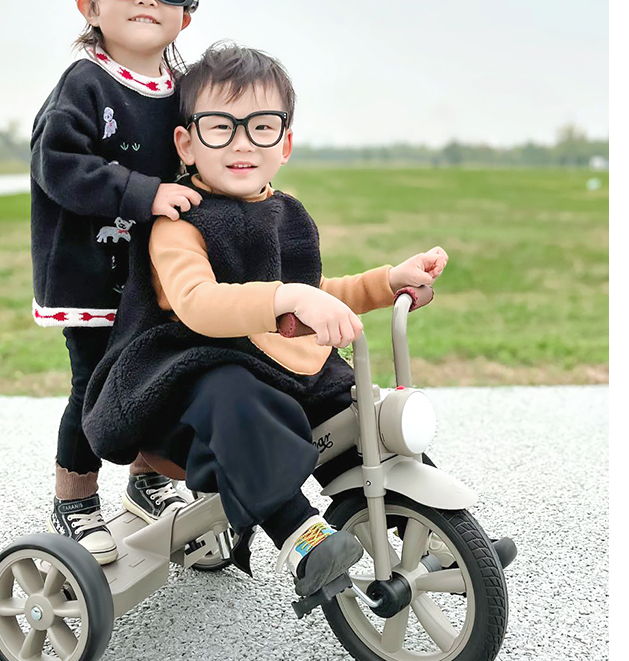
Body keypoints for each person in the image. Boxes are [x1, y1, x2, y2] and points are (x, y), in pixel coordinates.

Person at [82, 42, 448, 596]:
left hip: (277, 374)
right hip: (188, 394)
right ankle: (299, 536)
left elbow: (310, 292)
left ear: (285, 143)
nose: (242, 143)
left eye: (261, 127)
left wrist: (385, 283)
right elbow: (199, 302)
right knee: (235, 392)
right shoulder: (179, 222)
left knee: (355, 405)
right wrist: (286, 298)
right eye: (220, 127)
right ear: (186, 143)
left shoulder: (285, 213)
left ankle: (431, 528)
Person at [30, 1, 204, 565]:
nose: (149, 1)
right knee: (94, 385)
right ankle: (74, 498)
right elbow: (57, 162)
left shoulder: (185, 93)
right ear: (91, 6)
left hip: (159, 276)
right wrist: (143, 193)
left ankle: (148, 478)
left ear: (186, 17)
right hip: (90, 274)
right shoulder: (85, 84)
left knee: (158, 378)